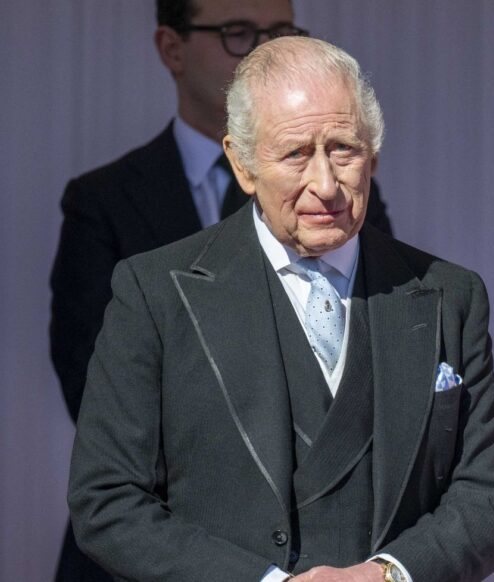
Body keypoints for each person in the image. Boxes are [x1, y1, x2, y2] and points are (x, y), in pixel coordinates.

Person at [68, 36, 494, 582]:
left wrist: (387, 575)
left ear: (373, 154)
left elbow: (485, 499)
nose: (325, 185)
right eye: (296, 154)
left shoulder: (449, 295)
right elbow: (108, 501)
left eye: (343, 149)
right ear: (243, 164)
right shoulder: (156, 293)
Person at [50, 2, 393, 579]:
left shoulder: (340, 198)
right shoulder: (104, 202)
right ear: (171, 48)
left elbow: (372, 372)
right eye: (238, 33)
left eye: (280, 31)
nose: (265, 50)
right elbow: (92, 390)